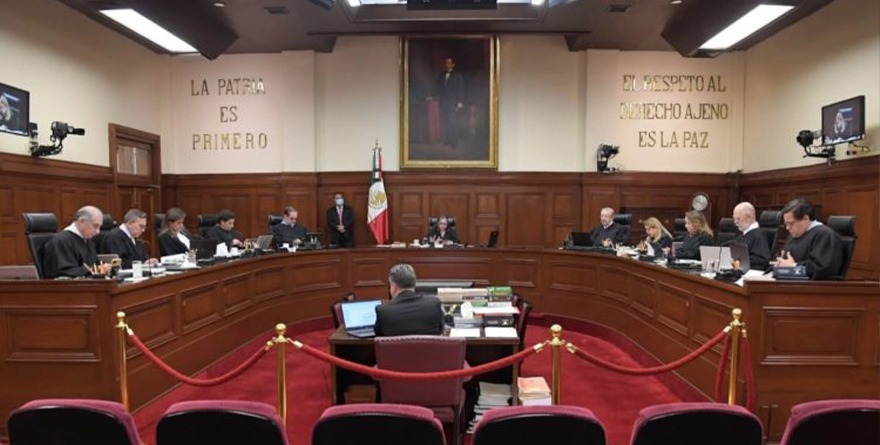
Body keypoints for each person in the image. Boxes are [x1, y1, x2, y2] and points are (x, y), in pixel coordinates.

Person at [776, 198, 844, 280]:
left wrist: (794, 266)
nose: (787, 228)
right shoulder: (794, 235)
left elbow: (823, 269)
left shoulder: (824, 235)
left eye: (790, 224)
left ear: (806, 218)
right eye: (786, 224)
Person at [43, 205, 113, 279]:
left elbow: (94, 265)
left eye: (99, 227)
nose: (98, 231)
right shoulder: (60, 241)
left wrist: (102, 268)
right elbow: (63, 273)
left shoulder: (87, 240)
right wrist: (93, 269)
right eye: (95, 226)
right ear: (81, 221)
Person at [375, 263, 444, 337]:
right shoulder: (433, 304)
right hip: (428, 345)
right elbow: (441, 330)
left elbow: (379, 336)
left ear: (394, 286)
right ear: (414, 283)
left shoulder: (383, 311)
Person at [731, 202, 771, 271]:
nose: (735, 222)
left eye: (738, 219)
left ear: (749, 217)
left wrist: (739, 262)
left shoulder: (759, 235)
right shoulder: (741, 234)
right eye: (734, 219)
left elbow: (761, 261)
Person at [436, 56, 465, 148]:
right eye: (446, 63)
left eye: (449, 63)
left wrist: (460, 102)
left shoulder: (457, 76)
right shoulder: (441, 75)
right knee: (446, 121)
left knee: (453, 122)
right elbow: (439, 89)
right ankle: (447, 140)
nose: (447, 65)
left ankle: (454, 142)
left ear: (453, 64)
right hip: (443, 102)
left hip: (453, 102)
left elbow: (460, 89)